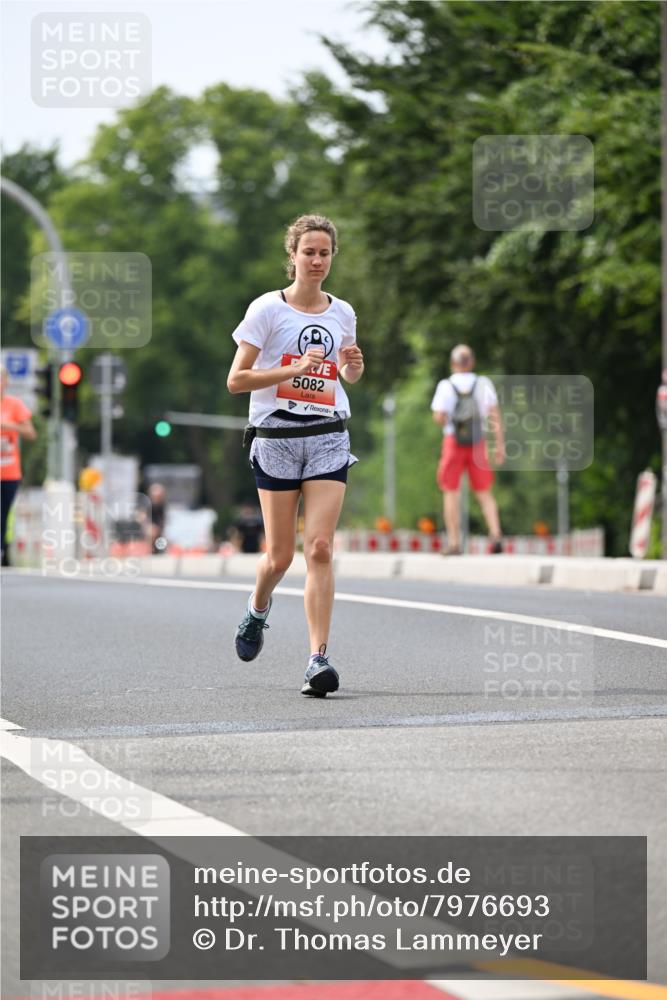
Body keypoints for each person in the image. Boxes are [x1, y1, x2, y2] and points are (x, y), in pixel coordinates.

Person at [227, 214, 364, 697]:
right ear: (293, 256)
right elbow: (236, 380)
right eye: (309, 252)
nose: (317, 261)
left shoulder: (342, 313)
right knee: (280, 556)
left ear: (332, 257)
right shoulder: (267, 309)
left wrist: (352, 368)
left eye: (324, 253)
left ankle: (317, 659)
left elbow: (344, 374)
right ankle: (257, 609)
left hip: (328, 435)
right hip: (276, 437)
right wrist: (292, 370)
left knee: (320, 548)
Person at [431, 344, 504, 555]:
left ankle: (454, 542)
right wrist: (499, 445)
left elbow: (438, 417)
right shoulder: (483, 383)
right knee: (484, 492)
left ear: (453, 363)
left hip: (453, 442)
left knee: (451, 492)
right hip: (477, 442)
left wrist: (452, 418)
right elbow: (494, 415)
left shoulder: (446, 385)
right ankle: (495, 534)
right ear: (472, 362)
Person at [1, 365, 37, 567]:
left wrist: (9, 426)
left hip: (9, 471)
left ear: (5, 381)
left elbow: (31, 434)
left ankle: (4, 549)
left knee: (5, 513)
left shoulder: (14, 405)